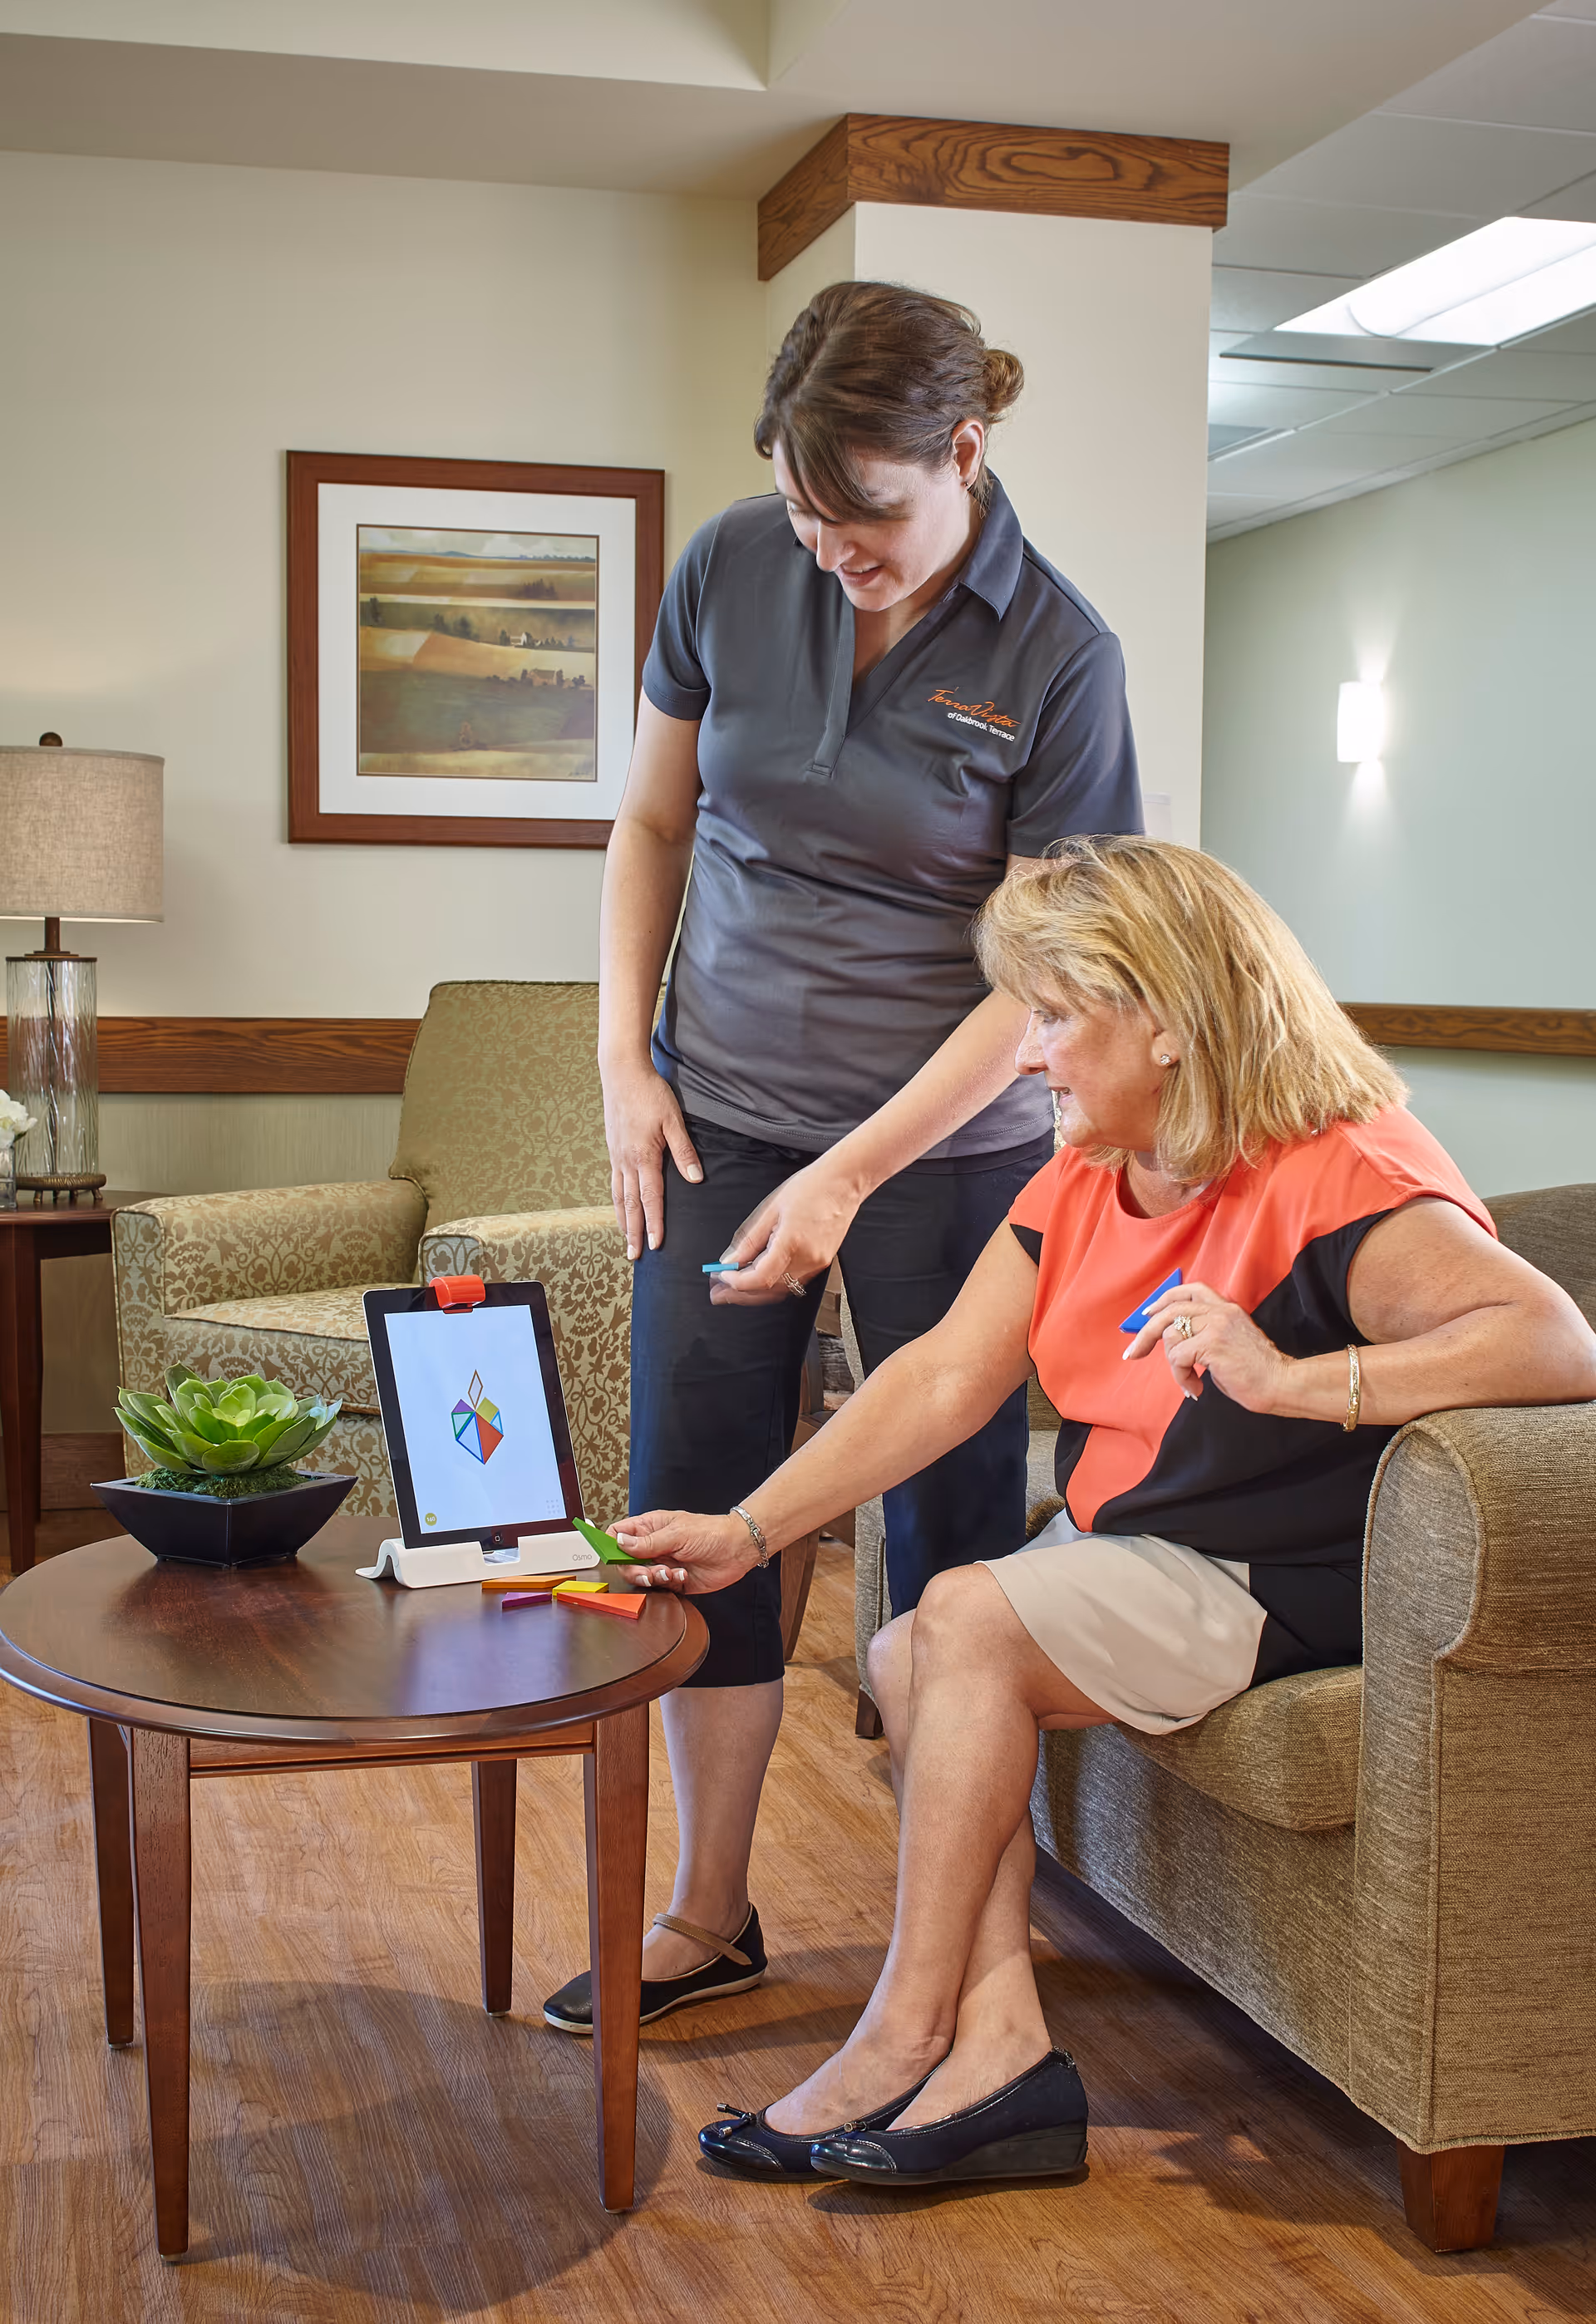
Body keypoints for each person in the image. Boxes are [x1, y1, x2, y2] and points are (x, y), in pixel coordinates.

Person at [608, 837, 1596, 2186]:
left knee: (956, 1622)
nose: (1030, 1057)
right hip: (1143, 1548)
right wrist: (749, 1532)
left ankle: (904, 2032)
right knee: (908, 1653)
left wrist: (1299, 1378)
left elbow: (1556, 1345)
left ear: (1175, 1027)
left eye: (1058, 1018)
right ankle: (1004, 2048)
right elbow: (949, 1374)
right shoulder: (1091, 1170)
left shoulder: (1337, 1169)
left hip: (1273, 1574)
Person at [542, 283, 1141, 2035]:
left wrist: (856, 1172)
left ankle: (951, 1944)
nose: (834, 548)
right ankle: (708, 1909)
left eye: (864, 512)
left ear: (965, 454)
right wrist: (623, 1060)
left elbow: (1052, 983)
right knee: (697, 1502)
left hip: (954, 1144)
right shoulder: (731, 564)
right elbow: (653, 819)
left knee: (944, 1530)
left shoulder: (1062, 657)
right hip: (717, 1113)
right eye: (809, 512)